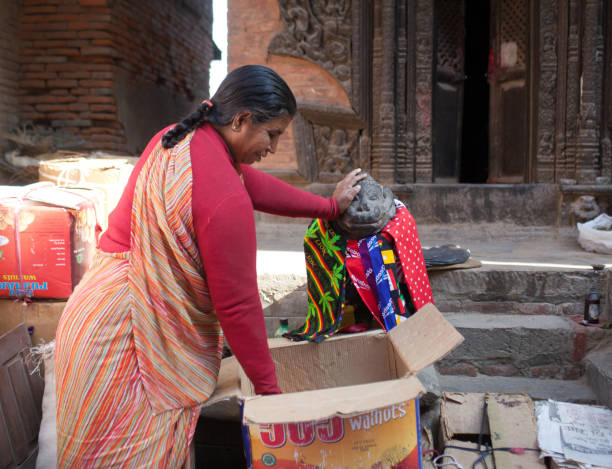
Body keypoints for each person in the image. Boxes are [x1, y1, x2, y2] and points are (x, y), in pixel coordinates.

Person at [54, 64, 365, 468]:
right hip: (131, 343)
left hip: (91, 319)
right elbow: (238, 307)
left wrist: (327, 207)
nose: (273, 148)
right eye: (272, 135)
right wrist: (271, 396)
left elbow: (249, 182)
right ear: (241, 120)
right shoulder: (223, 197)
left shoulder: (178, 138)